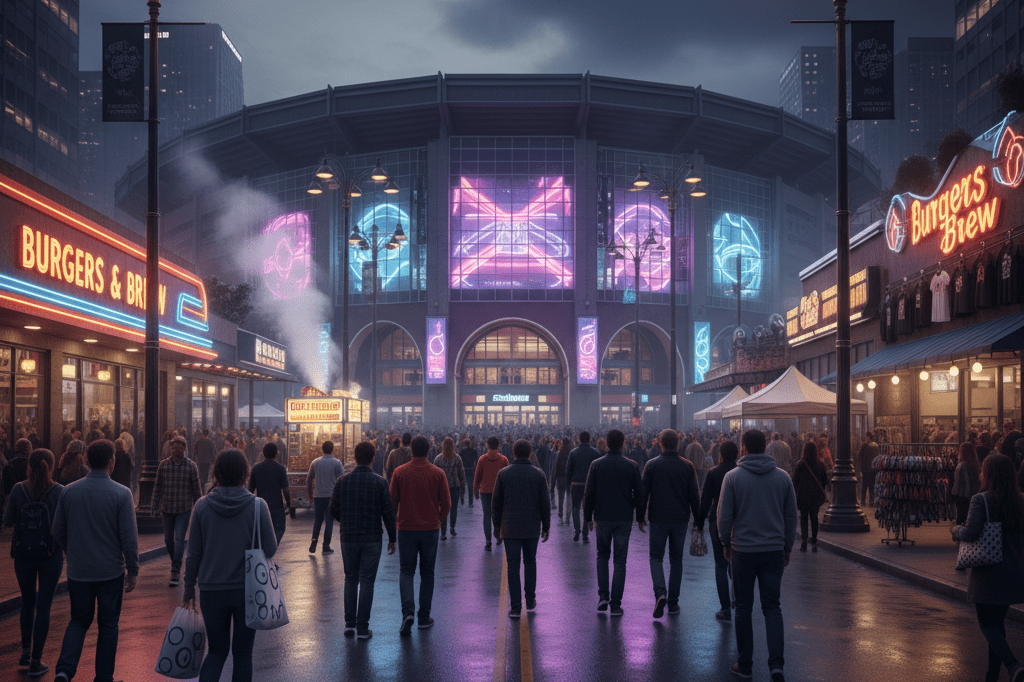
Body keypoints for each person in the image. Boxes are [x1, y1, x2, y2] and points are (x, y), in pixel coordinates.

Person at [182, 449, 276, 682]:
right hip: (249, 590)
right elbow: (271, 548)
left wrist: (188, 589)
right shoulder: (257, 506)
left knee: (216, 651)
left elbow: (193, 554)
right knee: (243, 654)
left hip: (211, 590)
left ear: (216, 472)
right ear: (245, 472)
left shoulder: (202, 506)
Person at [51, 440, 139, 682]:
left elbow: (57, 530)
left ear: (87, 461)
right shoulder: (122, 494)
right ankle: (103, 677)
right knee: (108, 625)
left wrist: (73, 550)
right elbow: (129, 537)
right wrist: (132, 569)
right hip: (110, 571)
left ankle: (64, 670)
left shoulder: (69, 491)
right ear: (111, 461)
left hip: (78, 570)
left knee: (78, 620)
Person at [718, 429, 797, 682]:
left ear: (743, 448)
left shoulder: (732, 477)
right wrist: (787, 546)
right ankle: (776, 666)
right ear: (766, 447)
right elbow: (790, 516)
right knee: (772, 606)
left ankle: (745, 664)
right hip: (773, 550)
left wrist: (725, 542)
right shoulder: (783, 478)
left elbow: (724, 516)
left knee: (743, 607)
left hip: (743, 550)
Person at [952, 454, 1024, 682]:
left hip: (988, 572)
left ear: (989, 474)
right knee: (997, 624)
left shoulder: (981, 500)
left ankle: (1013, 667)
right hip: (1014, 570)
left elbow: (971, 533)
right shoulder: (1021, 499)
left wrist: (956, 531)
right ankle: (992, 675)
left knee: (986, 623)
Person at [3, 449, 63, 676]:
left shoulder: (18, 489)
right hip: (51, 555)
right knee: (44, 605)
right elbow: (63, 526)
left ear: (29, 466)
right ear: (52, 465)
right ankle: (36, 660)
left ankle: (25, 651)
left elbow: (7, 520)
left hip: (23, 556)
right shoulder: (59, 491)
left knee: (27, 603)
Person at [330, 441, 396, 640]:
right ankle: (362, 627)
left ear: (355, 458)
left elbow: (333, 508)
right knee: (367, 582)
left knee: (350, 579)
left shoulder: (343, 481)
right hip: (372, 537)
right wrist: (393, 538)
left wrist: (346, 520)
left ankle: (349, 624)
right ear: (373, 459)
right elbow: (388, 513)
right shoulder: (380, 482)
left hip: (348, 537)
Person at [390, 435, 451, 634]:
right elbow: (448, 503)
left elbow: (392, 502)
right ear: (428, 450)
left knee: (406, 572)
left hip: (406, 528)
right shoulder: (438, 473)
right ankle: (424, 617)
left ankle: (407, 612)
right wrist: (438, 519)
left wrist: (394, 525)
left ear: (411, 450)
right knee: (427, 573)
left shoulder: (399, 472)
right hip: (430, 529)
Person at [637, 428, 699, 619]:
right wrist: (699, 520)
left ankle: (660, 593)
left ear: (660, 443)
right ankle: (673, 602)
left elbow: (643, 493)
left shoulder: (651, 465)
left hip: (658, 518)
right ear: (678, 444)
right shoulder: (687, 466)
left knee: (656, 557)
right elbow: (694, 496)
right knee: (676, 560)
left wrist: (640, 516)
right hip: (680, 519)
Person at [583, 429, 643, 617]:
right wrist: (639, 516)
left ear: (607, 444)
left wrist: (587, 516)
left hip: (602, 516)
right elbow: (640, 494)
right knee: (620, 560)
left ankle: (603, 596)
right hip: (623, 517)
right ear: (623, 443)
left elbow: (589, 493)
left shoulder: (596, 465)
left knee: (602, 556)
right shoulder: (631, 465)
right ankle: (616, 604)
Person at [491, 439, 550, 617]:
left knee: (513, 565)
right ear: (530, 453)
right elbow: (544, 503)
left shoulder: (503, 473)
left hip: (510, 526)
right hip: (531, 526)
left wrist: (497, 526)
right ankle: (530, 598)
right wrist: (546, 526)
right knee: (530, 561)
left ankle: (516, 606)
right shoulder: (539, 474)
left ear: (514, 453)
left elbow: (496, 503)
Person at [151, 434, 203, 588]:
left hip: (183, 509)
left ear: (183, 449)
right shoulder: (163, 465)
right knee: (168, 539)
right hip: (167, 508)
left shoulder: (191, 466)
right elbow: (158, 487)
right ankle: (176, 561)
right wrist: (154, 506)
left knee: (179, 538)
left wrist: (199, 507)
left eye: (178, 449)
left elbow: (196, 489)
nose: (175, 451)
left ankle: (175, 570)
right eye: (173, 448)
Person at [697, 439, 739, 621]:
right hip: (739, 521)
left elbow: (705, 500)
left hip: (717, 520)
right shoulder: (740, 473)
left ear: (720, 454)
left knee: (720, 564)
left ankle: (725, 608)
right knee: (737, 563)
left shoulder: (713, 473)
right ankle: (738, 599)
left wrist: (699, 524)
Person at [249, 441, 292, 544]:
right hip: (277, 507)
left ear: (263, 453)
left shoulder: (256, 468)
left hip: (260, 506)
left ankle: (267, 553)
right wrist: (289, 504)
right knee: (278, 530)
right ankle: (271, 551)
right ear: (276, 454)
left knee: (262, 533)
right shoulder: (280, 469)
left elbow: (250, 489)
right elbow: (285, 489)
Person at [307, 440, 345, 555]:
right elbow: (342, 479)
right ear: (332, 449)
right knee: (329, 522)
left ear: (322, 449)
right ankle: (325, 546)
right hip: (331, 497)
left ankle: (314, 542)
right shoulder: (337, 463)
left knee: (318, 521)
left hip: (318, 496)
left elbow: (309, 480)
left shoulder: (315, 462)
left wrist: (310, 495)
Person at [791, 441, 829, 553]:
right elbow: (824, 481)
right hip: (816, 496)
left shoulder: (800, 464)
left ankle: (804, 540)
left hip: (803, 496)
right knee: (814, 518)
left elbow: (795, 481)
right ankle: (814, 541)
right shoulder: (820, 464)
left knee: (803, 518)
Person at [473, 436, 509, 551]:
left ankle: (488, 541)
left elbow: (477, 476)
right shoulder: (504, 460)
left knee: (487, 515)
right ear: (498, 446)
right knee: (499, 514)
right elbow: (507, 478)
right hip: (499, 492)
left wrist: (475, 490)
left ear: (487, 445)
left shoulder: (482, 459)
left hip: (485, 492)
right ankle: (499, 536)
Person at [566, 431, 602, 543]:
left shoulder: (573, 453)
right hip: (590, 485)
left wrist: (568, 485)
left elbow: (568, 471)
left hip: (576, 484)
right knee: (587, 509)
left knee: (575, 508)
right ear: (590, 439)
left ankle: (577, 530)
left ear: (579, 439)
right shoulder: (595, 453)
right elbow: (599, 471)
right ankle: (585, 534)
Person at [434, 437, 466, 540]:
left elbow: (434, 476)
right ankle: (452, 528)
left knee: (443, 509)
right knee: (453, 508)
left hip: (441, 487)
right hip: (454, 486)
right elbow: (461, 475)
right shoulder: (457, 458)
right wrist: (462, 491)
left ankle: (443, 532)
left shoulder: (438, 459)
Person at [953, 441, 983, 526]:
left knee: (961, 517)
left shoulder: (962, 466)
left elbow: (958, 483)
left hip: (962, 496)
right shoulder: (976, 465)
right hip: (974, 494)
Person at [550, 439, 570, 523]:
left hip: (560, 477)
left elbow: (556, 467)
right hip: (568, 478)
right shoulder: (570, 453)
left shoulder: (558, 454)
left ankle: (561, 512)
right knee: (569, 497)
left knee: (561, 497)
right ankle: (568, 516)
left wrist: (555, 478)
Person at [858, 431, 880, 507]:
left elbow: (859, 456)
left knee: (864, 487)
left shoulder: (864, 446)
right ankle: (871, 501)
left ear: (867, 437)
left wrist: (860, 468)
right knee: (872, 487)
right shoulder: (876, 446)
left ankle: (863, 501)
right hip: (873, 470)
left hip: (865, 470)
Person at [458, 438, 479, 507]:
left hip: (464, 470)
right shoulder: (473, 451)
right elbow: (477, 460)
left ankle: (461, 500)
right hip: (471, 469)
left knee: (461, 486)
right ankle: (470, 502)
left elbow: (459, 461)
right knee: (470, 487)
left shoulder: (462, 451)